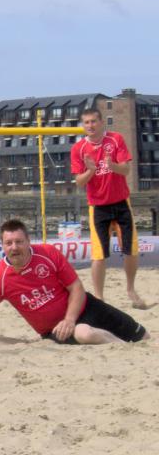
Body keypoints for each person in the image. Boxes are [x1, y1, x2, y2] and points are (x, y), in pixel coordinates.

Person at [0, 219, 149, 345]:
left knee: (144, 336)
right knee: (85, 333)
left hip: (86, 307)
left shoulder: (47, 253)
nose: (14, 247)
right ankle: (125, 348)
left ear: (28, 241)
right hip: (54, 330)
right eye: (9, 243)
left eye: (19, 242)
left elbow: (76, 288)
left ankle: (135, 345)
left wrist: (69, 319)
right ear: (2, 246)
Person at [70, 108, 147, 309]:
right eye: (86, 122)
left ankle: (130, 289)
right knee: (98, 255)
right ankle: (100, 298)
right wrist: (92, 170)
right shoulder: (78, 148)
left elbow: (126, 169)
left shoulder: (115, 139)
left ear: (101, 122)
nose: (90, 125)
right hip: (98, 207)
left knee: (130, 249)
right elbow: (79, 182)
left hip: (121, 202)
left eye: (94, 121)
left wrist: (112, 165)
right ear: (82, 125)